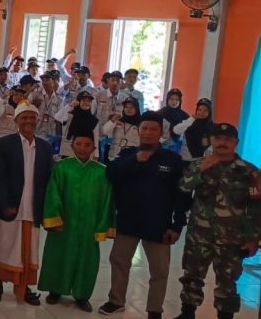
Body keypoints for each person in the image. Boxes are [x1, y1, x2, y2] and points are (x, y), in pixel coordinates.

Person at [99, 112, 192, 319]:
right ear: (139, 131)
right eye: (145, 128)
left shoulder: (172, 160)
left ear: (160, 132)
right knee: (119, 262)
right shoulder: (127, 154)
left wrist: (177, 225)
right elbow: (111, 174)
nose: (148, 133)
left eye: (153, 129)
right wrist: (134, 160)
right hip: (128, 221)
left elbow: (182, 195)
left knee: (160, 271)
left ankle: (154, 309)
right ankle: (116, 300)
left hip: (159, 224)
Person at [172, 123, 260, 319]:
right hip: (199, 235)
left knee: (227, 281)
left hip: (232, 238)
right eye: (218, 138)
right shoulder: (198, 165)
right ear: (212, 140)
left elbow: (256, 207)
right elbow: (183, 188)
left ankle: (225, 316)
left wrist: (253, 239)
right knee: (191, 276)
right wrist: (201, 171)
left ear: (236, 143)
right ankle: (187, 313)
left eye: (228, 140)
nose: (222, 143)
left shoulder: (249, 171)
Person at [0, 101, 54, 305]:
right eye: (24, 117)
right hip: (11, 206)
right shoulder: (6, 143)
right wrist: (4, 202)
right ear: (16, 120)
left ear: (38, 120)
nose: (28, 121)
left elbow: (49, 178)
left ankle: (25, 286)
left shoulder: (45, 146)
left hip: (33, 206)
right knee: (5, 244)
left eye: (32, 117)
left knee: (30, 248)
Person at [38, 134, 113, 312]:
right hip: (64, 223)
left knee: (87, 259)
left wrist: (102, 226)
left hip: (89, 224)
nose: (82, 148)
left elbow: (107, 200)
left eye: (87, 145)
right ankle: (55, 290)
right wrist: (55, 219)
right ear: (72, 146)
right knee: (58, 255)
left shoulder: (102, 172)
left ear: (94, 148)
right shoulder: (61, 167)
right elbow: (53, 193)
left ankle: (82, 295)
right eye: (78, 144)